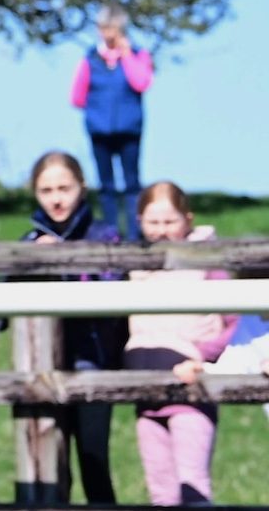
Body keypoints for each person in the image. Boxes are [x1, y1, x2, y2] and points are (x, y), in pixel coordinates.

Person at [0, 150, 124, 504]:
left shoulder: (104, 236)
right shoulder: (29, 242)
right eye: (46, 190)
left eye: (64, 188)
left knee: (94, 464)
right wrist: (32, 262)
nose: (57, 199)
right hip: (41, 368)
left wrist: (64, 262)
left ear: (82, 187)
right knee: (45, 470)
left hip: (92, 365)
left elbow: (113, 295)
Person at [125, 181, 236, 506]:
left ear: (188, 220)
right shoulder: (136, 266)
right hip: (146, 394)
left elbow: (235, 323)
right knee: (161, 492)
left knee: (192, 485)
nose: (161, 231)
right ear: (140, 222)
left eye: (169, 222)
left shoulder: (207, 263)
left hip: (192, 391)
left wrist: (203, 357)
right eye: (153, 222)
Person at [69, 2, 154, 240]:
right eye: (103, 28)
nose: (107, 34)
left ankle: (135, 236)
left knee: (131, 184)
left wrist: (126, 57)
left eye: (112, 28)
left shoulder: (138, 55)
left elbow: (142, 83)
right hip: (99, 131)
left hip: (129, 129)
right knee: (106, 186)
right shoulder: (90, 59)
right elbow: (76, 97)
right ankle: (111, 234)